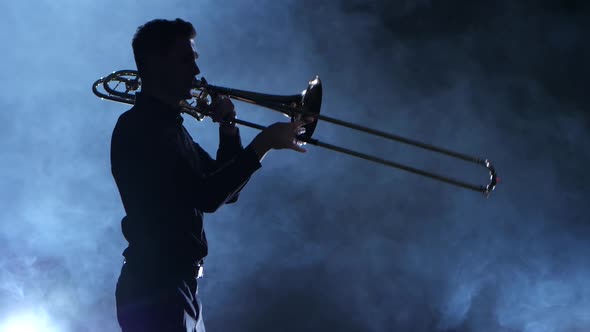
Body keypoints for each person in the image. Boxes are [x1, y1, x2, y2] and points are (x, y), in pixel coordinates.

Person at [110, 18, 311, 332]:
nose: (195, 72)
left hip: (176, 286)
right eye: (185, 59)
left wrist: (229, 130)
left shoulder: (173, 130)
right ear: (155, 64)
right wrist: (265, 142)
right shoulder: (142, 128)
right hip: (154, 287)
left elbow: (227, 188)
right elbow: (208, 196)